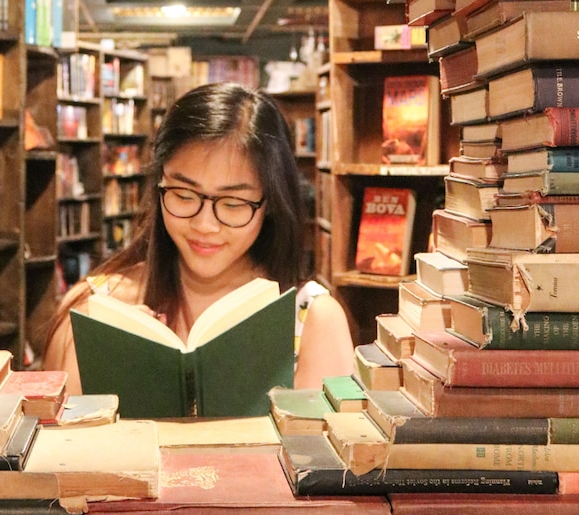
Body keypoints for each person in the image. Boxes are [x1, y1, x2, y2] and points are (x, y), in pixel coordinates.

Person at [43, 82, 355, 396]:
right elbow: (61, 441)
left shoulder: (314, 320)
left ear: (271, 202)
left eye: (233, 204)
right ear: (159, 185)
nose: (205, 225)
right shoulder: (93, 307)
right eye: (183, 195)